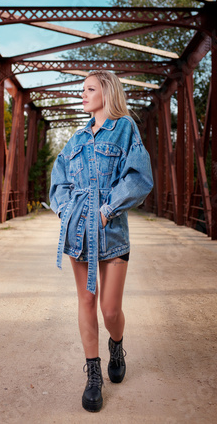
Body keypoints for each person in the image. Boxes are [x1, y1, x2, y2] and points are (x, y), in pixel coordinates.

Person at [49, 70, 153, 412]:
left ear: (107, 92)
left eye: (89, 89)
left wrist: (107, 209)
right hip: (78, 231)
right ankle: (93, 375)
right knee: (86, 300)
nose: (83, 95)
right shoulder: (76, 138)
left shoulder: (125, 128)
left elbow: (139, 177)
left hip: (111, 231)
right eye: (82, 90)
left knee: (110, 309)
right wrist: (67, 211)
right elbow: (59, 178)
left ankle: (117, 343)